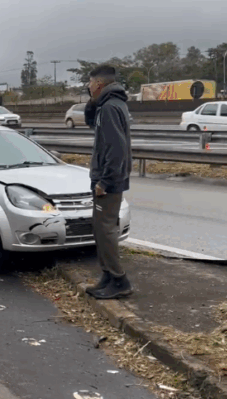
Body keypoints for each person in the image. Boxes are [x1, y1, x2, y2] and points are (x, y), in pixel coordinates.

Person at [84, 65, 133, 299]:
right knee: (101, 230)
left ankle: (119, 280)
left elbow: (117, 148)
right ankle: (108, 276)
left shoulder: (111, 107)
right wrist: (92, 102)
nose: (88, 86)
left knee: (105, 231)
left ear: (99, 84)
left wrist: (104, 181)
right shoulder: (108, 105)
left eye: (90, 83)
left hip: (109, 182)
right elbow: (91, 123)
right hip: (108, 178)